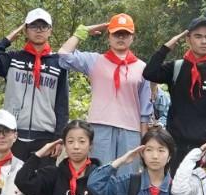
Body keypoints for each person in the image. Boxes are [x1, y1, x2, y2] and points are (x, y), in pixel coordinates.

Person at [0, 8, 79, 155]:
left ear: (50, 31)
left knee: (42, 178)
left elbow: (62, 103)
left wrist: (59, 137)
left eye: (43, 26)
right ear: (26, 30)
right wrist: (9, 38)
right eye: (33, 26)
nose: (38, 30)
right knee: (12, 178)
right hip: (13, 133)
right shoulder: (13, 59)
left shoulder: (58, 62)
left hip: (45, 136)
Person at [143, 16, 206, 173]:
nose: (203, 41)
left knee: (201, 194)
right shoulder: (176, 68)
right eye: (198, 36)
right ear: (188, 39)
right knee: (173, 191)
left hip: (205, 147)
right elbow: (150, 73)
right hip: (175, 144)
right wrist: (166, 48)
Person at [62, 13, 155, 160]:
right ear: (109, 37)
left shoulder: (142, 67)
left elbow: (145, 108)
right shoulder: (95, 61)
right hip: (100, 127)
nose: (121, 38)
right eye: (116, 34)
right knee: (101, 175)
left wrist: (144, 140)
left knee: (127, 177)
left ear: (132, 37)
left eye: (125, 34)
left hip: (130, 130)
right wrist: (82, 31)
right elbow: (63, 55)